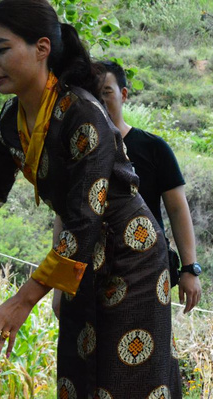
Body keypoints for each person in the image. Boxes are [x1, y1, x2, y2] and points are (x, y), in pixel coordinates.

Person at [0, 0, 181, 396]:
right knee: (79, 376)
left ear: (42, 48)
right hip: (79, 258)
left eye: (2, 48)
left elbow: (85, 219)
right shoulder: (11, 120)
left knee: (124, 379)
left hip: (132, 257)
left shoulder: (82, 112)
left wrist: (23, 300)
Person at [52, 60, 202, 318]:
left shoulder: (154, 148)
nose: (99, 99)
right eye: (92, 94)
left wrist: (190, 269)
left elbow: (178, 210)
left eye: (106, 92)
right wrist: (58, 286)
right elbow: (64, 218)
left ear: (123, 94)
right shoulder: (75, 154)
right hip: (88, 274)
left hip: (146, 274)